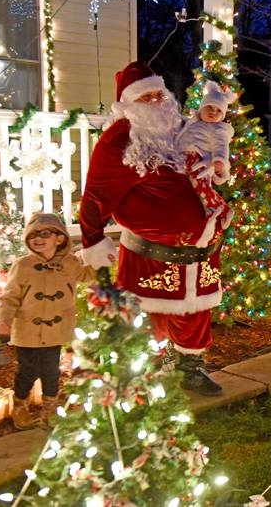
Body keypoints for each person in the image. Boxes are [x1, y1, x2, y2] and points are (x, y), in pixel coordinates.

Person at [78, 61, 225, 396]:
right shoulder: (118, 141)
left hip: (201, 251)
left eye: (160, 94)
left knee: (196, 313)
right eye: (147, 97)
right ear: (128, 104)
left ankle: (190, 368)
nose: (158, 101)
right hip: (151, 254)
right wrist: (93, 238)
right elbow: (96, 195)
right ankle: (138, 377)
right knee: (147, 317)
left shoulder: (185, 128)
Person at [0, 213, 94, 430]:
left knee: (51, 371)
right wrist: (4, 319)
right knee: (27, 370)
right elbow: (9, 296)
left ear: (59, 239)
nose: (38, 239)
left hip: (56, 329)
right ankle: (20, 404)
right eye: (33, 235)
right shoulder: (23, 265)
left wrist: (103, 261)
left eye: (45, 234)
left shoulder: (69, 263)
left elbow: (86, 275)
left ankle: (50, 407)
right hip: (27, 330)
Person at [175, 80, 237, 234]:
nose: (213, 112)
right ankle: (204, 212)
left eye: (218, 111)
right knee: (183, 188)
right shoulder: (192, 121)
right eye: (209, 107)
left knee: (200, 186)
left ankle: (220, 209)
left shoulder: (218, 129)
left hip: (199, 161)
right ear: (202, 107)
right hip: (181, 159)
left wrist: (219, 161)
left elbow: (221, 145)